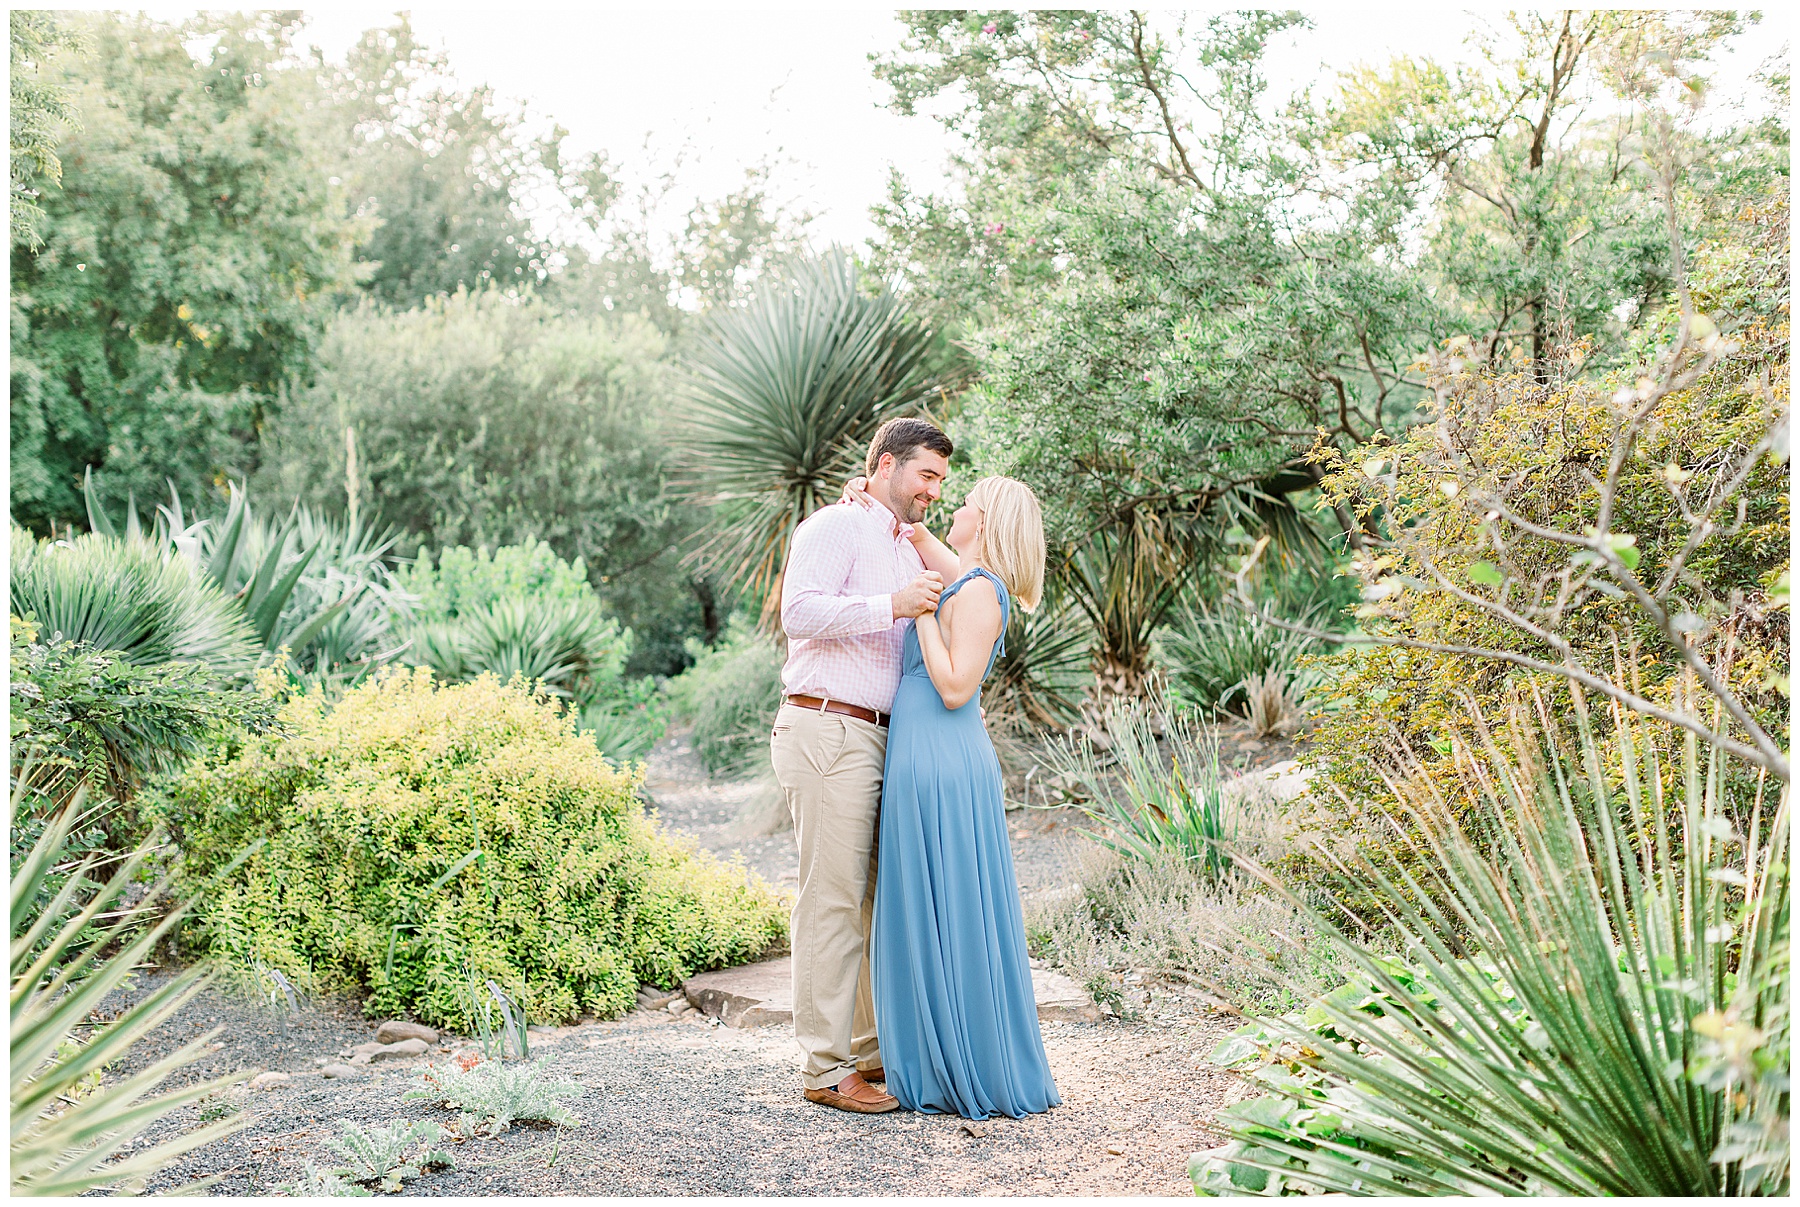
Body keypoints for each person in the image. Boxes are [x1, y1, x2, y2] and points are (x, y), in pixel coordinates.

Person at [859, 473, 1062, 1120]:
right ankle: (934, 1053)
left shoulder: (979, 593)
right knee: (932, 901)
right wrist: (877, 499)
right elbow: (925, 541)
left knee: (948, 902)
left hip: (941, 759)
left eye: (968, 500)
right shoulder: (969, 581)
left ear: (987, 521)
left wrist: (918, 614)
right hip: (924, 754)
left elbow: (953, 687)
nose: (956, 505)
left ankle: (959, 1063)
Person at [770, 416, 952, 1115]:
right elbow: (799, 612)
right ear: (884, 465)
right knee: (832, 901)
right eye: (925, 475)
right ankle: (825, 1067)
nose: (934, 490)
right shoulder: (834, 526)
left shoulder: (902, 545)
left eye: (941, 479)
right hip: (829, 728)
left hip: (879, 738)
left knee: (875, 902)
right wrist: (892, 605)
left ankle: (867, 1051)